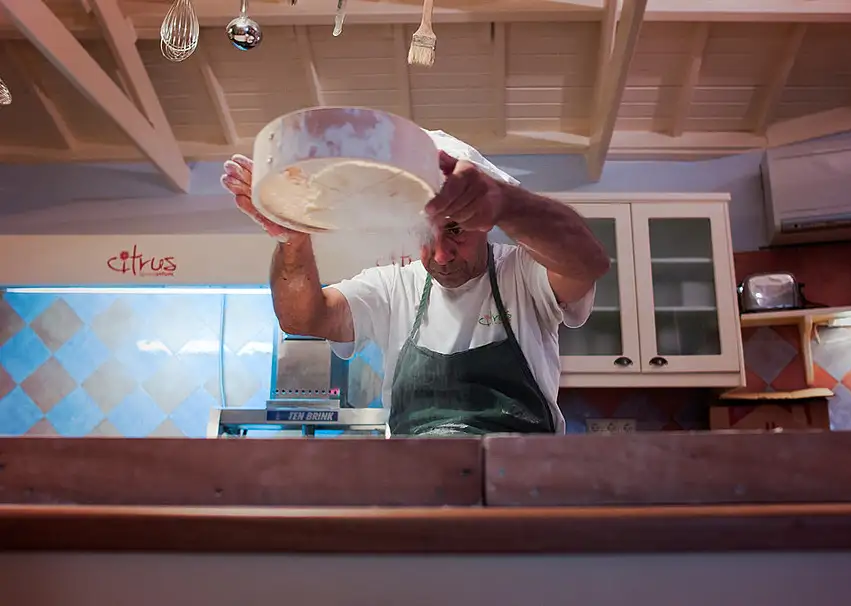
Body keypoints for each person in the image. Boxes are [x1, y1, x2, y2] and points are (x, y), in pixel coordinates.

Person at [221, 149, 610, 436]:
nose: (440, 255)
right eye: (425, 235)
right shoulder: (393, 287)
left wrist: (508, 203)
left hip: (521, 491)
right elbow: (303, 317)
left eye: (455, 230)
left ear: (486, 223)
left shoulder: (523, 274)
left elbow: (588, 262)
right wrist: (292, 240)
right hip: (417, 488)